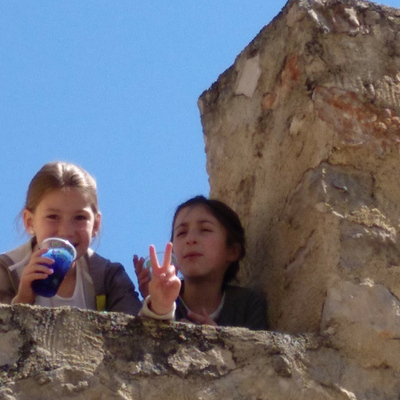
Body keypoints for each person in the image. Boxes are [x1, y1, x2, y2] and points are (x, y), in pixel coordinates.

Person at [0, 161, 180, 320]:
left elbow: (138, 340)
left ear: (96, 225)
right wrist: (23, 300)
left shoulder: (107, 275)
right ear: (30, 222)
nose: (66, 231)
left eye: (79, 218)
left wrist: (160, 306)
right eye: (53, 216)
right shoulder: (7, 269)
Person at [134, 195, 268, 330]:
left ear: (232, 251)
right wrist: (159, 307)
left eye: (205, 230)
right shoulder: (161, 301)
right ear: (173, 254)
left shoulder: (246, 304)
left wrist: (218, 339)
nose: (190, 239)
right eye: (181, 233)